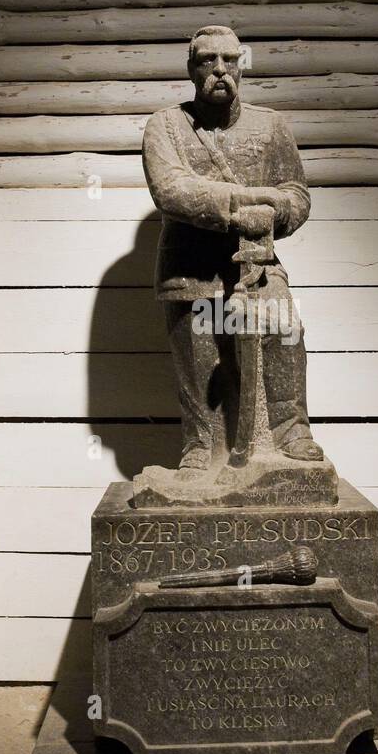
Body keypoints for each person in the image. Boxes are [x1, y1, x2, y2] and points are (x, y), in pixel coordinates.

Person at [142, 24, 325, 471]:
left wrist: (274, 210)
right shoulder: (167, 125)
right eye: (207, 60)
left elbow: (297, 195)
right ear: (191, 68)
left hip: (257, 266)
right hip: (192, 271)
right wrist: (244, 203)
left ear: (242, 65)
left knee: (285, 334)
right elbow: (172, 190)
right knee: (201, 363)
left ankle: (290, 432)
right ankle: (200, 448)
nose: (219, 70)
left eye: (229, 60)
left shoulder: (271, 125)